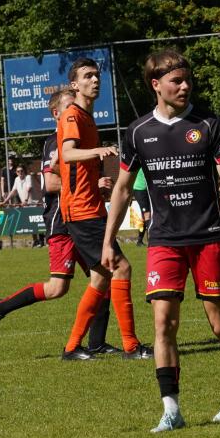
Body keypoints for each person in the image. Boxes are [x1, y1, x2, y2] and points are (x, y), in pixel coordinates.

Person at [102, 49, 220, 432]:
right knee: (163, 324)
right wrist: (108, 240)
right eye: (177, 81)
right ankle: (171, 410)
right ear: (156, 85)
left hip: (208, 238)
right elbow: (122, 189)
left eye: (188, 79)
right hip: (164, 241)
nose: (185, 86)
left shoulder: (208, 124)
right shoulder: (138, 132)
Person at [0, 88, 120, 355]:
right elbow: (52, 183)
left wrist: (100, 187)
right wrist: (92, 184)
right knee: (58, 288)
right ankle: (0, 308)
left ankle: (97, 342)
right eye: (68, 106)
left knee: (103, 277)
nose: (74, 110)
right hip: (62, 222)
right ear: (56, 114)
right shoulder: (56, 141)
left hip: (83, 217)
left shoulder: (82, 136)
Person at [56, 57, 152, 360]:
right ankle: (131, 346)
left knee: (100, 277)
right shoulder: (72, 115)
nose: (95, 80)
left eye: (97, 75)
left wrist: (96, 182)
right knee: (121, 267)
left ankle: (72, 347)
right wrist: (97, 151)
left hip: (90, 206)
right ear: (74, 84)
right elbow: (67, 154)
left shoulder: (87, 116)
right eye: (87, 76)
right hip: (81, 210)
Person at [133, 168, 150, 246]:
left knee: (146, 216)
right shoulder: (142, 163)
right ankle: (150, 241)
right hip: (140, 190)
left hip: (146, 190)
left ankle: (139, 241)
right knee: (147, 215)